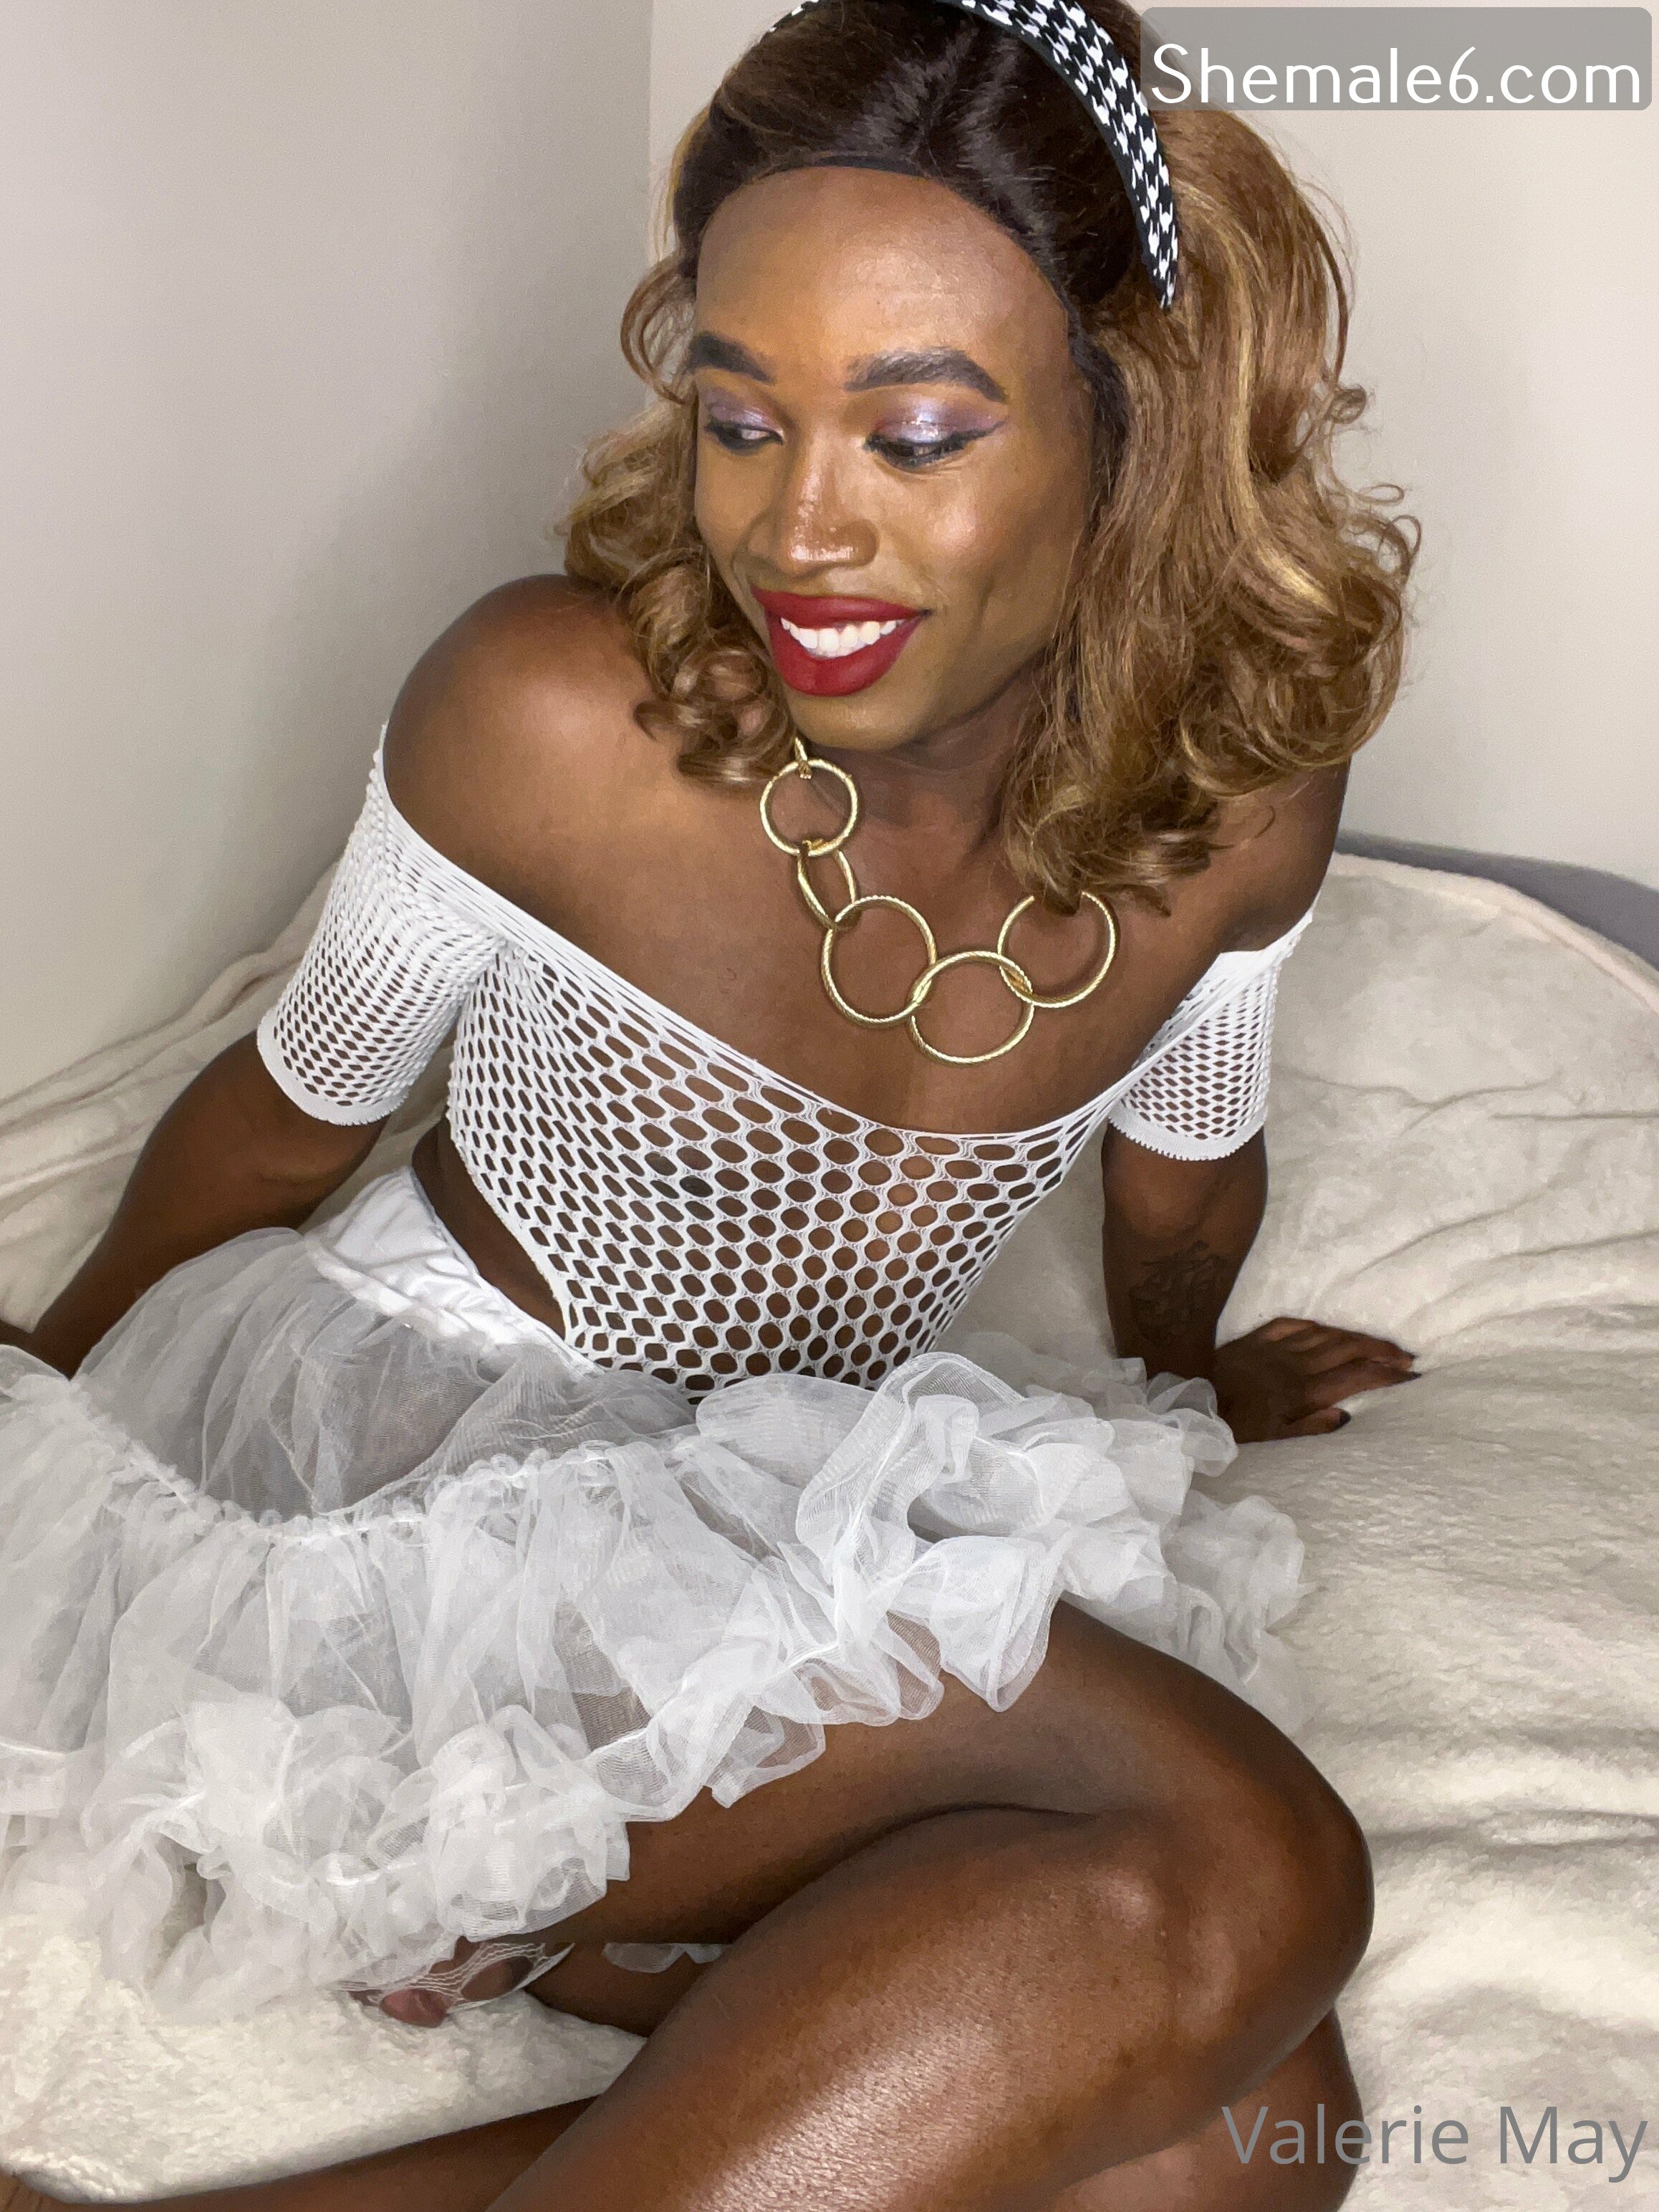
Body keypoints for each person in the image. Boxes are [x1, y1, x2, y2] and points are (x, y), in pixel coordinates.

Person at [0, 1, 1423, 2206]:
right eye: (742, 418)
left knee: (1243, 2140)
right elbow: (282, 1122)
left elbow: (1183, 1184)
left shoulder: (1240, 805)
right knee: (1250, 1867)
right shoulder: (553, 716)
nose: (798, 530)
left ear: (1131, 420)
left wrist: (1185, 1382)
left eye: (915, 433)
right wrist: (50, 1435)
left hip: (746, 1526)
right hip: (404, 1514)